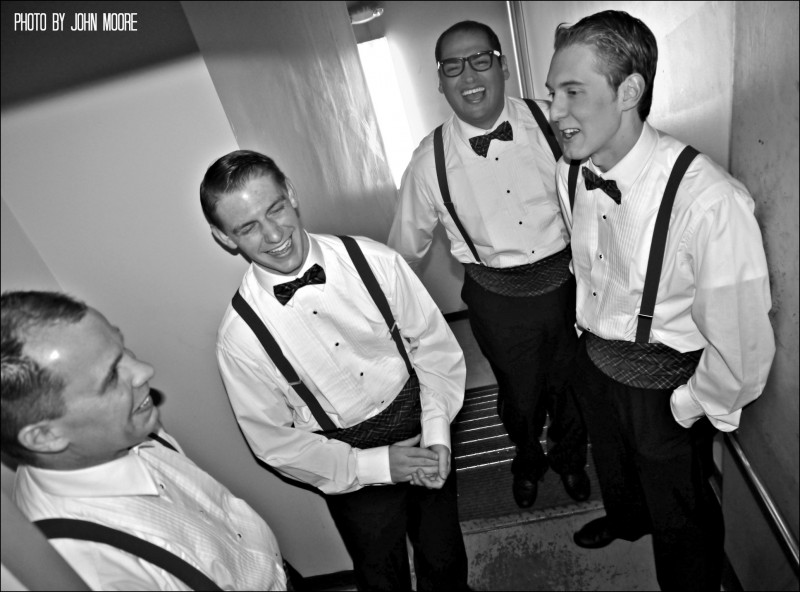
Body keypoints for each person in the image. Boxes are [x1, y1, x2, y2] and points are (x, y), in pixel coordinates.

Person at [545, 10, 776, 590]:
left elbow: (742, 350)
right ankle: (626, 523)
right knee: (616, 470)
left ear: (629, 90)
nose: (554, 113)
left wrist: (688, 406)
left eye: (573, 92)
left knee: (683, 520)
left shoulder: (710, 202)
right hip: (596, 360)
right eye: (552, 94)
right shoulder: (569, 171)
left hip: (665, 387)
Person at [201, 150, 469, 592]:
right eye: (247, 227)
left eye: (275, 209)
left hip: (423, 426)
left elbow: (434, 349)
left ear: (291, 193)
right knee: (381, 575)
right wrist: (375, 464)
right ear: (224, 237)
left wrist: (437, 433)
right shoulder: (240, 338)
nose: (273, 235)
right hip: (349, 470)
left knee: (444, 554)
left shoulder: (374, 260)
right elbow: (273, 441)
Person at [387, 20, 589, 509]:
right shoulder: (426, 163)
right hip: (496, 300)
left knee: (573, 387)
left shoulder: (555, 123)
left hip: (571, 283)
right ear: (440, 80)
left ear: (502, 65)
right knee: (520, 397)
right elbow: (399, 257)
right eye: (453, 66)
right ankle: (527, 461)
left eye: (480, 59)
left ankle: (570, 460)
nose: (469, 75)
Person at [0, 290, 286, 591]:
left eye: (122, 348)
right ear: (46, 436)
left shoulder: (121, 426)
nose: (144, 371)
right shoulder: (93, 565)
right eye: (111, 377)